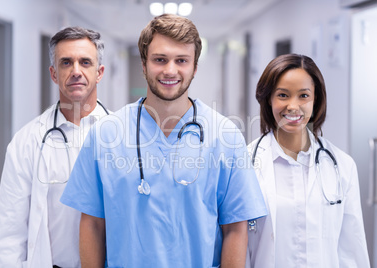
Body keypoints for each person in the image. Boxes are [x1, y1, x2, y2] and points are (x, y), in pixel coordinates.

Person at [60, 14, 267, 267]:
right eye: (160, 59)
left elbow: (235, 228)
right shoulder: (105, 135)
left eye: (181, 60)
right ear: (144, 65)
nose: (170, 70)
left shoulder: (226, 136)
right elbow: (92, 222)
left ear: (194, 67)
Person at [0, 26, 109, 268]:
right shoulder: (26, 141)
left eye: (85, 62)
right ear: (54, 73)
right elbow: (11, 233)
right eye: (66, 62)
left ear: (99, 72)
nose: (76, 71)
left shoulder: (122, 136)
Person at [246, 53, 370, 267]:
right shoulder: (245, 163)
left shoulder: (342, 165)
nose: (293, 106)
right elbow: (239, 248)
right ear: (268, 99)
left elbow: (352, 249)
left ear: (316, 100)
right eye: (283, 95)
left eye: (303, 96)